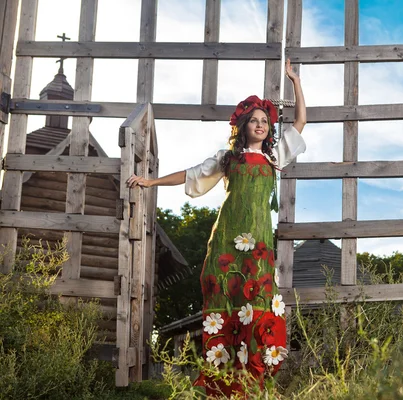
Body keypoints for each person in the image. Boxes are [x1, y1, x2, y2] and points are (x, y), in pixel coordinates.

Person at [127, 59, 306, 397]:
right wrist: (150, 182)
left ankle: (250, 383)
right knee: (226, 300)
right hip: (227, 238)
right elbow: (191, 174)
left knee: (259, 306)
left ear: (270, 128)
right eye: (253, 120)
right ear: (243, 125)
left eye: (264, 121)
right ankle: (221, 383)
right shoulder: (228, 158)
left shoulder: (274, 159)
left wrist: (295, 81)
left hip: (259, 246)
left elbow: (300, 121)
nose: (259, 124)